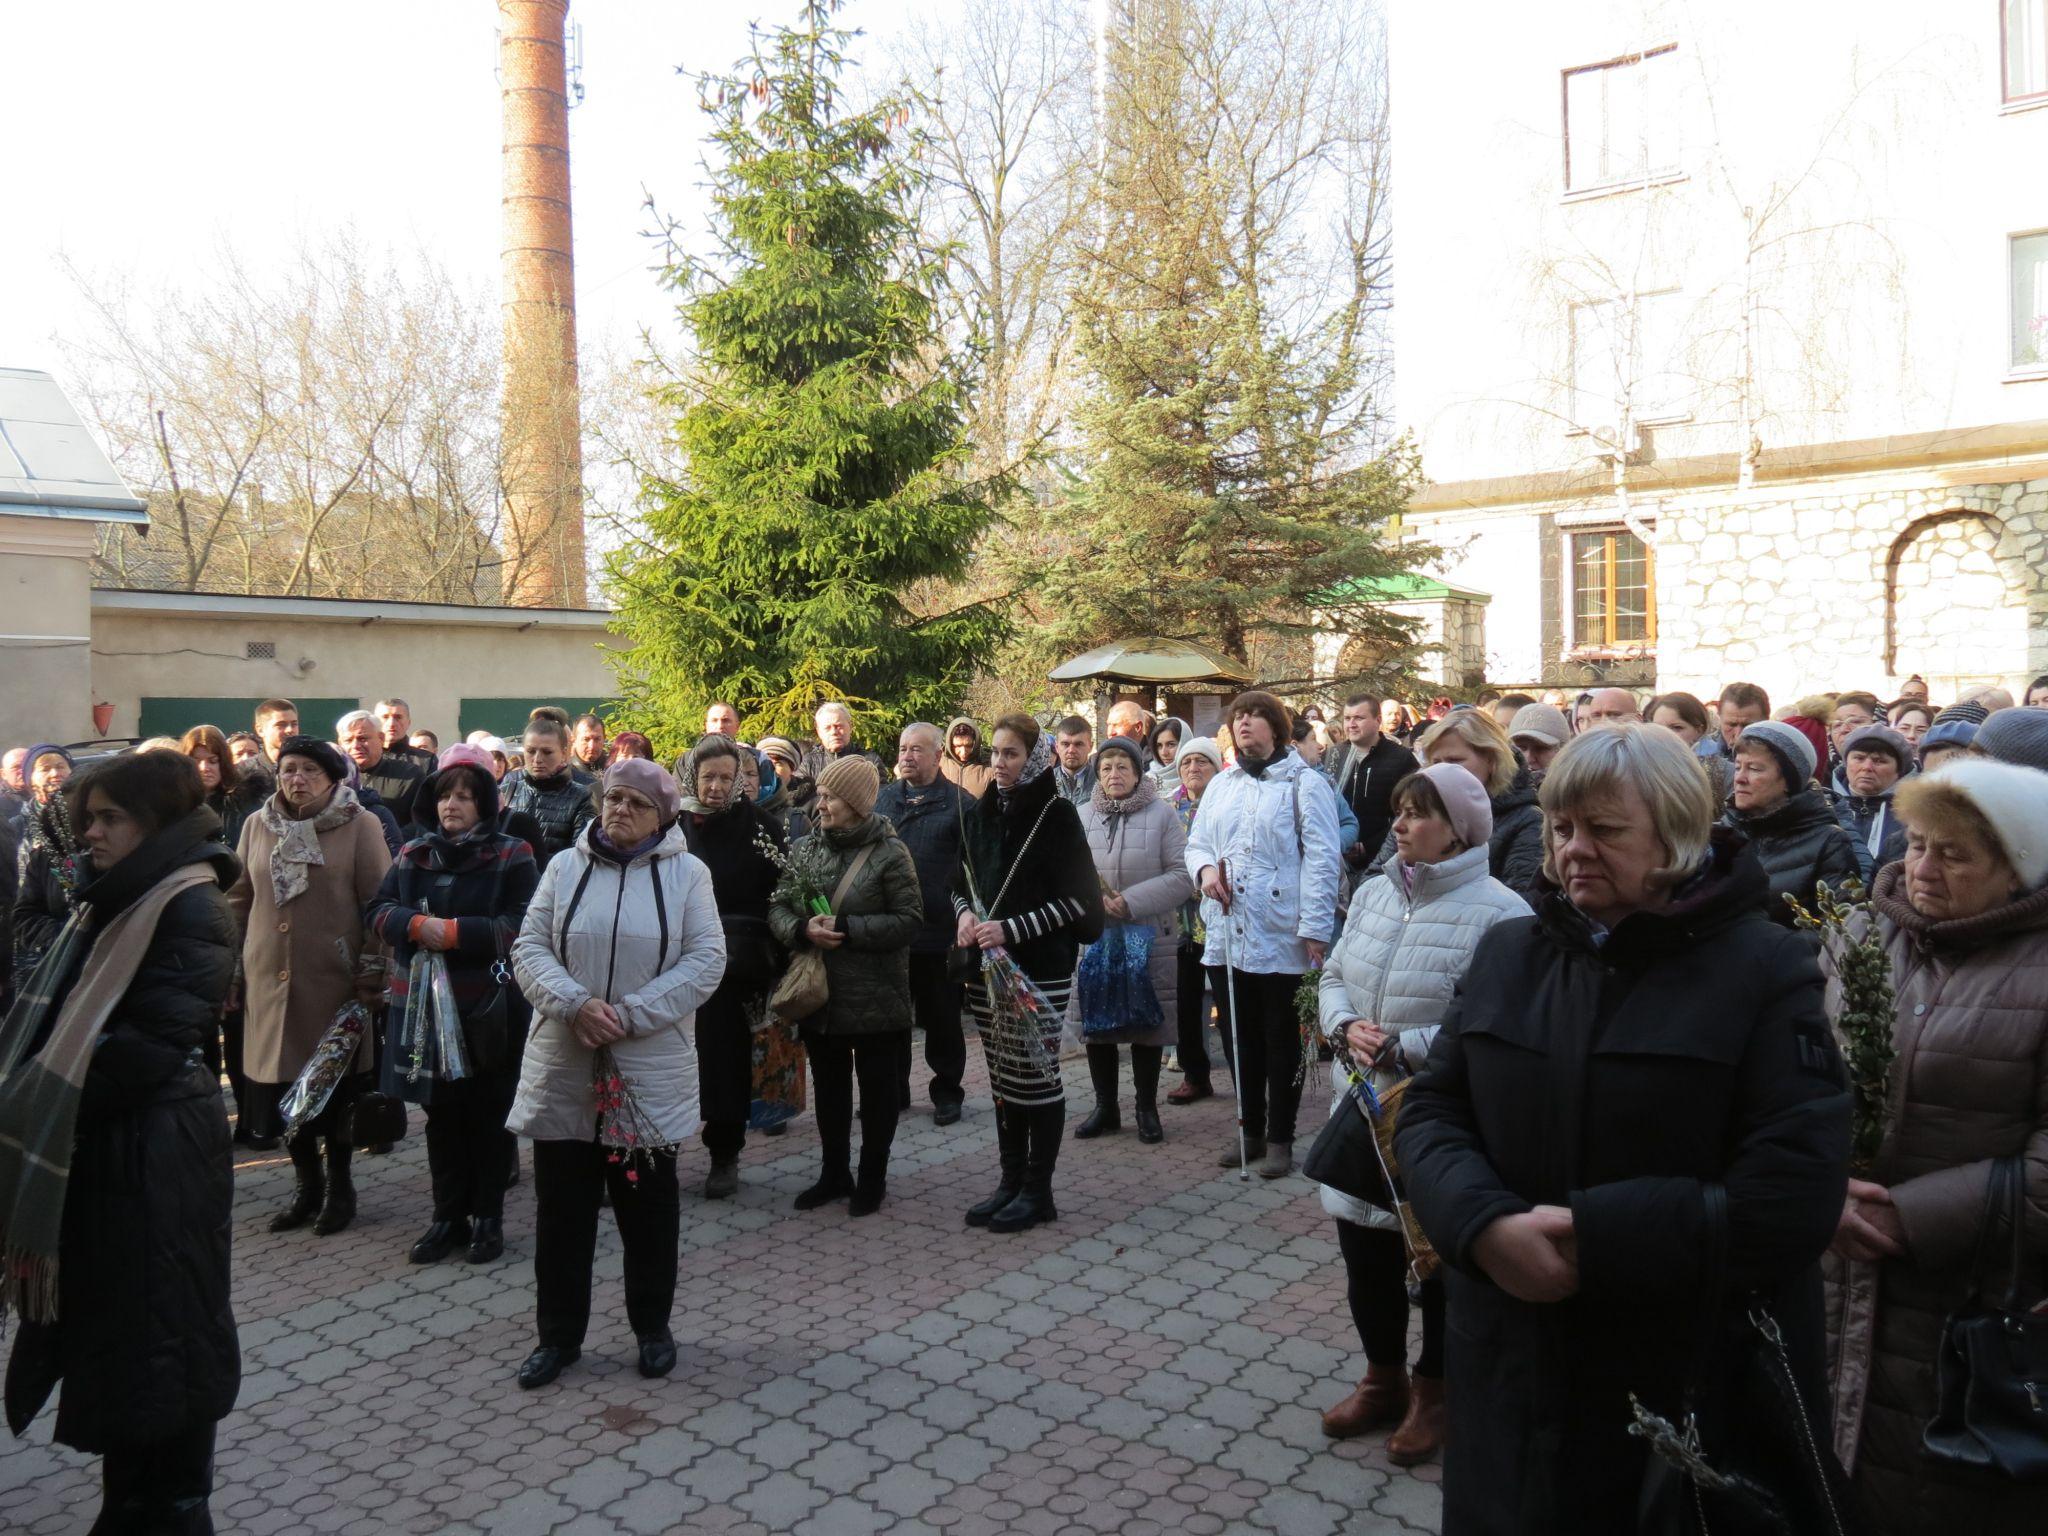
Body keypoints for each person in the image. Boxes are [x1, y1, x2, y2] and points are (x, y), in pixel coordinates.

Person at [1396, 724, 1850, 1532]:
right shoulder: (1509, 952)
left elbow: (1794, 1193)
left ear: (1676, 835)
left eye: (1606, 831)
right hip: (1508, 1360)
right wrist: (1484, 1224)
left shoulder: (1767, 967)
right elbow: (1434, 1110)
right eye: (1563, 829)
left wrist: (1594, 1238)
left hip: (1677, 1384)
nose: (1575, 850)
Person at [0, 751, 240, 1534]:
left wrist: (27, 1095)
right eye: (87, 819)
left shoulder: (189, 903)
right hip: (120, 1156)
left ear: (158, 824)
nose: (90, 835)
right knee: (130, 1345)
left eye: (109, 819)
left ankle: (169, 1507)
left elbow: (146, 1046)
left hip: (157, 1155)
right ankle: (137, 1502)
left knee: (162, 1340)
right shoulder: (114, 898)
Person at [1822, 758, 2048, 1534]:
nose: (1921, 867)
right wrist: (1817, 1187)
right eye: (1916, 844)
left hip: (1974, 1303)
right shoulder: (1856, 935)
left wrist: (1906, 1218)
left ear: (2019, 867)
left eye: (1954, 854)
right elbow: (1791, 1084)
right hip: (1832, 1272)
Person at [1315, 765, 1528, 1463]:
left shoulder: (1502, 914)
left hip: (1440, 1113)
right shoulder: (1377, 891)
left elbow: (1498, 1022)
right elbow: (1334, 974)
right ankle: (1382, 1379)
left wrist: (1405, 1047)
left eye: (1417, 813)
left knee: (1432, 1258)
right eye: (1400, 811)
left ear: (1460, 830)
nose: (1399, 824)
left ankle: (1434, 1393)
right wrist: (1345, 1025)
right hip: (1362, 1098)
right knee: (1363, 1249)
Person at [508, 758, 726, 1389]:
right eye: (612, 798)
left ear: (664, 815)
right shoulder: (564, 866)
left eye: (636, 802)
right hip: (565, 1060)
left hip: (646, 1066)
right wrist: (573, 1004)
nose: (619, 809)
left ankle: (652, 1329)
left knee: (649, 1214)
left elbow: (706, 960)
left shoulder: (689, 875)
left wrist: (628, 1015)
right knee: (562, 1213)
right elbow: (529, 947)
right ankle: (557, 1339)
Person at [365, 746, 539, 1267]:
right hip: (422, 1007)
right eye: (444, 796)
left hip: (485, 1005)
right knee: (439, 1116)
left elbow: (524, 924)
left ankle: (487, 1217)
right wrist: (417, 926)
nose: (452, 805)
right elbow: (377, 909)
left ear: (484, 804)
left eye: (464, 796)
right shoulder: (413, 853)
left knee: (487, 1115)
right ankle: (447, 1217)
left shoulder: (513, 853)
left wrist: (459, 933)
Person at [227, 736, 391, 1236]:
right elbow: (238, 900)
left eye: (308, 771)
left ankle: (340, 1186)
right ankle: (306, 1186)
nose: (296, 779)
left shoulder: (360, 825)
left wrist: (372, 968)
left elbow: (380, 905)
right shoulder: (258, 825)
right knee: (282, 1088)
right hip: (268, 983)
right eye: (288, 769)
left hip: (333, 983)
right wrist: (230, 968)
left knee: (334, 1092)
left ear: (332, 778)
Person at [1184, 691, 1343, 1179]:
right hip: (1228, 929)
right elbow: (1197, 843)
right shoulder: (1223, 785)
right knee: (1237, 1036)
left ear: (1276, 726)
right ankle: (1247, 1130)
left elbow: (1322, 857)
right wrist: (1207, 871)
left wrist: (1315, 927)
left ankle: (1280, 1137)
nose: (1244, 724)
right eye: (1238, 718)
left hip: (1281, 934)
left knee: (1280, 1040)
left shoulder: (1304, 784)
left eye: (1254, 716)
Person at [954, 714, 1102, 1232]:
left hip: (1039, 965)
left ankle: (1039, 1190)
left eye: (1011, 753)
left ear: (1035, 758)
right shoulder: (980, 812)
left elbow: (1082, 904)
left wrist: (1011, 929)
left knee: (1035, 1076)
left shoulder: (1056, 813)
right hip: (984, 968)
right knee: (1002, 1078)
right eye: (995, 753)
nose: (999, 762)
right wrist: (965, 916)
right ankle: (1010, 1181)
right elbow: (959, 878)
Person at [768, 758, 922, 1214]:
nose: (821, 804)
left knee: (877, 1092)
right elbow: (777, 907)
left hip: (876, 995)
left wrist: (848, 927)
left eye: (831, 797)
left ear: (855, 804)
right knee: (830, 1090)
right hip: (822, 995)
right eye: (821, 794)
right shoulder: (805, 848)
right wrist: (802, 930)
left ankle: (872, 1178)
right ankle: (834, 1172)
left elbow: (910, 921)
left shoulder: (890, 853)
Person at [674, 736, 786, 1199]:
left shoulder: (760, 827)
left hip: (733, 966)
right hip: (674, 962)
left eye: (725, 777)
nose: (716, 787)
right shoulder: (672, 824)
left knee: (725, 1061)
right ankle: (657, 1150)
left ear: (740, 779)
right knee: (673, 1062)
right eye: (708, 777)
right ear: (693, 778)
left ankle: (724, 1154)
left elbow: (780, 895)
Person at [1071, 735, 1194, 1145]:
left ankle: (1146, 1107)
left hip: (1147, 935)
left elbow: (1182, 876)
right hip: (1096, 936)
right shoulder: (1082, 814)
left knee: (1146, 1025)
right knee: (1097, 1024)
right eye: (1105, 767)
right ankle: (1106, 1106)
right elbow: (1064, 875)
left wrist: (1133, 902)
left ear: (1138, 772)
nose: (1113, 774)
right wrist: (1092, 903)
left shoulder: (1162, 815)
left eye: (1122, 766)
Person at [875, 724, 970, 1124]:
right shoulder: (883, 800)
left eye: (917, 749)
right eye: (902, 749)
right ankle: (892, 1092)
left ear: (937, 756)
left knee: (942, 1021)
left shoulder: (962, 805)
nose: (907, 756)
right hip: (891, 932)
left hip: (938, 931)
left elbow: (971, 870)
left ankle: (947, 1093)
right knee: (890, 1020)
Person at [1372, 710, 1546, 905]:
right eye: (1436, 762)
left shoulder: (1527, 819)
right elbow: (1374, 879)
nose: (1443, 769)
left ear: (1490, 760)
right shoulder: (1414, 811)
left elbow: (1519, 905)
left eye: (1455, 761)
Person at [1723, 719, 1862, 933]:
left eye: (1755, 769)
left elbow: (1840, 933)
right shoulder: (1721, 831)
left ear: (1789, 780)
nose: (1740, 778)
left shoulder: (1828, 842)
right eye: (1738, 767)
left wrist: (1778, 951)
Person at [1164, 737, 1223, 1106]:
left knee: (1227, 1003)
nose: (1193, 769)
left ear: (1216, 768)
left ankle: (1246, 1076)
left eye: (1202, 762)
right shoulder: (1169, 806)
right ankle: (1194, 1074)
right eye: (1187, 763)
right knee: (1184, 1001)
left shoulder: (1226, 802)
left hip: (1218, 917)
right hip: (1180, 921)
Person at [1325, 695, 1418, 887]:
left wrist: (1368, 846)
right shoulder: (1334, 755)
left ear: (1377, 721)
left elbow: (1407, 813)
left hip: (1382, 863)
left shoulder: (1401, 759)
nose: (1351, 724)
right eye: (1347, 718)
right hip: (1337, 860)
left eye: (1359, 718)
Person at [11, 746, 81, 991]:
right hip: (32, 946)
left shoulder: (87, 824)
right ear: (30, 777)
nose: (55, 773)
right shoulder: (16, 826)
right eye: (45, 768)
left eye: (61, 766)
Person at [502, 717, 595, 867]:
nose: (537, 759)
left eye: (547, 752)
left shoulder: (581, 796)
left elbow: (580, 856)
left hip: (554, 882)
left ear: (564, 753)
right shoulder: (510, 784)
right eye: (531, 751)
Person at [1834, 723, 1912, 883]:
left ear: (1899, 771)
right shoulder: (1826, 806)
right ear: (1846, 763)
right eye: (1859, 758)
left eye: (1879, 761)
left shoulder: (1912, 814)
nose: (1867, 767)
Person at [338, 709, 426, 828]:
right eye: (348, 740)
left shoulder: (410, 775)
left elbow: (421, 822)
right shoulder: (333, 778)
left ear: (381, 738)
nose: (356, 746)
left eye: (362, 739)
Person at [1648, 690, 1731, 802]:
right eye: (1657, 728)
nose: (1665, 735)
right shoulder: (1643, 769)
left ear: (1699, 729)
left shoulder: (1725, 771)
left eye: (1676, 728)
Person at [801, 701, 884, 780]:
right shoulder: (809, 763)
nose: (834, 732)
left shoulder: (870, 761)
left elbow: (882, 793)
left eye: (839, 726)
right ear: (819, 732)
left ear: (850, 727)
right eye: (827, 728)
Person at [756, 735, 813, 840]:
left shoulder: (812, 801)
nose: (771, 768)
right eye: (766, 762)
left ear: (792, 769)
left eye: (778, 763)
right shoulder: (751, 799)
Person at [1506, 703, 1570, 777]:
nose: (1529, 759)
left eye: (1540, 749)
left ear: (1563, 750)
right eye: (1520, 749)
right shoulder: (1497, 786)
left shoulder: (1578, 786)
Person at [373, 698, 436, 773]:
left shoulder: (426, 760)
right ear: (375, 723)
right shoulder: (363, 758)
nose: (392, 723)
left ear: (408, 722)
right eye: (385, 717)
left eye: (398, 717)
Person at [940, 716, 992, 800]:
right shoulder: (936, 763)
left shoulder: (989, 767)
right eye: (958, 746)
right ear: (950, 744)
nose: (963, 752)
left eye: (968, 746)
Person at [1051, 715, 1095, 806]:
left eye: (1078, 744)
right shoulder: (1045, 783)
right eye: (1065, 744)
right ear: (1057, 747)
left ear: (1090, 746)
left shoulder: (1102, 782)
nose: (1071, 750)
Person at [251, 698, 300, 780]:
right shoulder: (244, 774)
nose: (290, 730)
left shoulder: (312, 768)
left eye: (294, 724)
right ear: (260, 730)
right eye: (281, 725)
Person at [1716, 681, 1772, 751]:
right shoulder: (1701, 754)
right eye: (1731, 725)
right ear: (1719, 718)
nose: (1738, 735)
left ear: (1766, 721)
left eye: (1747, 726)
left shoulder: (1782, 757)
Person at [1144, 715, 1187, 791]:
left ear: (1184, 743)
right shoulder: (1148, 781)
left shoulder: (1196, 777)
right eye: (1159, 746)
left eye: (1171, 744)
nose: (1164, 753)